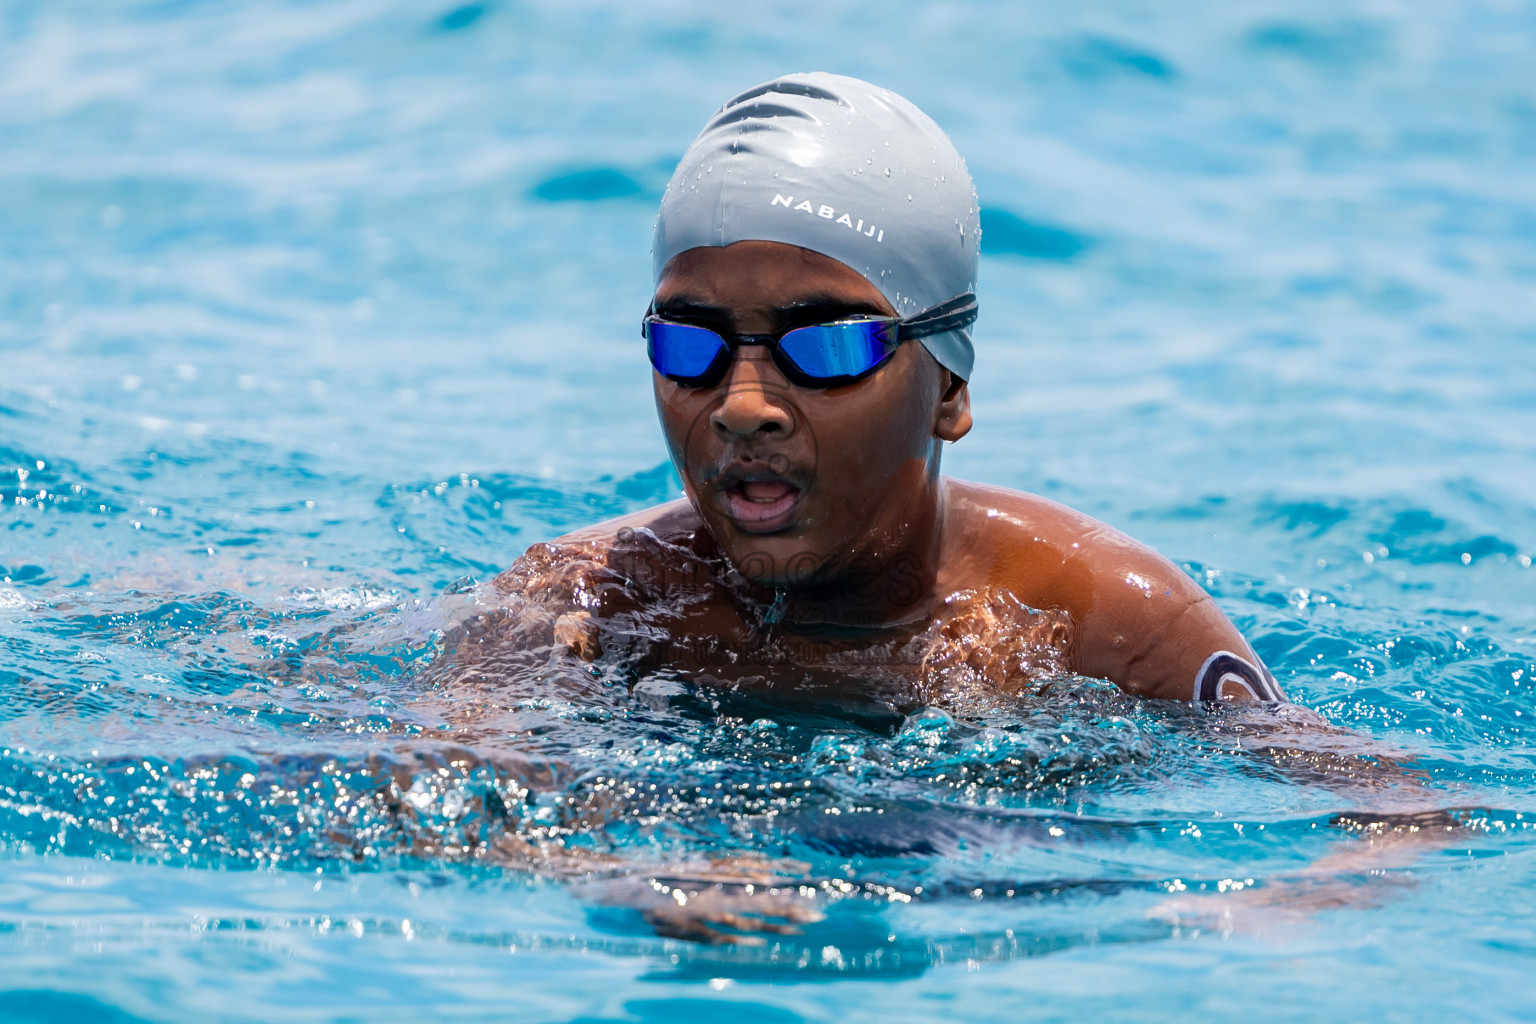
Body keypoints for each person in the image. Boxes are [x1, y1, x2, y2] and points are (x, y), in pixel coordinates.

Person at [465, 71, 1283, 714]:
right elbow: (434, 781)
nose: (743, 405)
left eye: (826, 346)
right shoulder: (589, 597)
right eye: (691, 343)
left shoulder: (1105, 621)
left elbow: (1377, 819)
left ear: (950, 388)